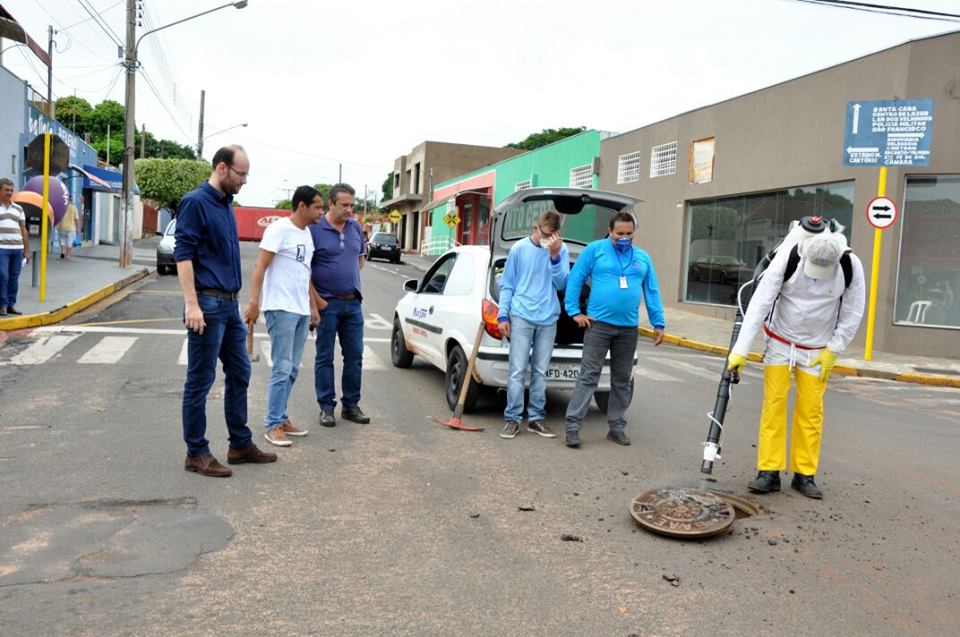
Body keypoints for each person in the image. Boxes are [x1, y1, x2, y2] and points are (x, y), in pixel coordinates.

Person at [727, 228, 865, 499]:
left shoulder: (850, 265)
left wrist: (834, 349)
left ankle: (805, 475)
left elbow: (853, 309)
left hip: (818, 348)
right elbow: (760, 303)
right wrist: (741, 350)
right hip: (780, 341)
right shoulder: (788, 257)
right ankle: (769, 472)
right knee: (774, 404)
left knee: (811, 411)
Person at [174, 145, 277, 477]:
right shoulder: (195, 202)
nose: (245, 181)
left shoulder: (226, 205)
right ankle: (197, 453)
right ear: (221, 168)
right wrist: (191, 303)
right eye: (241, 174)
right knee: (200, 380)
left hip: (229, 304)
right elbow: (183, 254)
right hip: (207, 303)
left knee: (241, 373)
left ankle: (239, 444)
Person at [563, 212, 665, 448]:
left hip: (628, 329)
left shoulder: (642, 258)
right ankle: (573, 427)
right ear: (610, 231)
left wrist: (658, 322)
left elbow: (651, 290)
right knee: (589, 376)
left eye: (629, 234)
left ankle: (616, 427)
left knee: (622, 380)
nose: (624, 238)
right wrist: (574, 311)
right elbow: (575, 279)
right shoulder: (595, 250)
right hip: (598, 325)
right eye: (619, 233)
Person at [245, 186, 322, 447]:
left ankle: (281, 416)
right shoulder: (278, 229)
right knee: (281, 368)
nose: (321, 212)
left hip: (300, 309)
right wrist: (254, 302)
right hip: (280, 308)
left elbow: (305, 272)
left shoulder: (307, 233)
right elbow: (260, 266)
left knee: (291, 369)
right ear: (302, 206)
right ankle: (272, 424)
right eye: (318, 207)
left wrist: (312, 306)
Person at [496, 209, 570, 439]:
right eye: (545, 234)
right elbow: (507, 284)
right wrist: (503, 315)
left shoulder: (561, 249)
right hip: (522, 316)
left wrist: (555, 257)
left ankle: (536, 419)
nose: (548, 239)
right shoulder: (519, 249)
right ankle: (512, 419)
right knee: (517, 370)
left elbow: (561, 284)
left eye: (553, 235)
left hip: (548, 318)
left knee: (540, 371)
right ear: (536, 228)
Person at [309, 183, 370, 427]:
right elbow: (304, 269)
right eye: (344, 205)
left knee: (355, 356)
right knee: (324, 357)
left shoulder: (355, 228)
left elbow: (360, 260)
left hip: (352, 303)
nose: (349, 210)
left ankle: (351, 406)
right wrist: (316, 300)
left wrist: (347, 278)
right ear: (331, 204)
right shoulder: (315, 229)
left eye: (352, 205)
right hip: (327, 304)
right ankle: (326, 407)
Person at [0, 177, 29, 316]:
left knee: (14, 278)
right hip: (2, 249)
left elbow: (23, 230)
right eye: (6, 190)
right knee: (3, 276)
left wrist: (26, 251)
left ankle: (11, 304)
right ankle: (2, 305)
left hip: (17, 249)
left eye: (11, 190)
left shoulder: (18, 208)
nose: (9, 193)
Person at [58, 194, 80, 260]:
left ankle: (62, 252)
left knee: (62, 241)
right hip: (71, 228)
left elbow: (59, 217)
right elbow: (76, 219)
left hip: (62, 227)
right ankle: (68, 255)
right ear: (71, 200)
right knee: (69, 242)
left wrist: (58, 225)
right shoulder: (74, 208)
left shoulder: (62, 207)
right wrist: (77, 228)